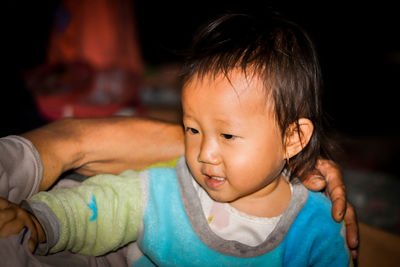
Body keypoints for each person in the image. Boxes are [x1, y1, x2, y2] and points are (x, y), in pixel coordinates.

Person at [0, 12, 354, 266]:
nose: (204, 153)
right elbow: (97, 206)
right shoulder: (165, 191)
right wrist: (40, 223)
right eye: (192, 129)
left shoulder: (316, 229)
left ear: (293, 138)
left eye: (228, 135)